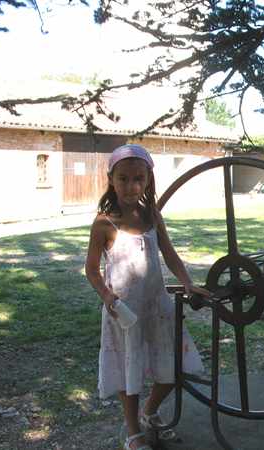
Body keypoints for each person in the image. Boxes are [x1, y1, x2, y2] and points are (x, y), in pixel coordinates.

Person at [85, 144, 210, 450]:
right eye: (124, 179)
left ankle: (149, 411)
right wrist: (107, 296)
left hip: (157, 307)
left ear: (148, 180)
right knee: (129, 373)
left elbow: (170, 255)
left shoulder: (152, 216)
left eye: (138, 179)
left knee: (172, 368)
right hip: (124, 312)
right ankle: (133, 432)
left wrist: (187, 283)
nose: (131, 186)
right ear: (111, 179)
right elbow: (91, 269)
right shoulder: (104, 223)